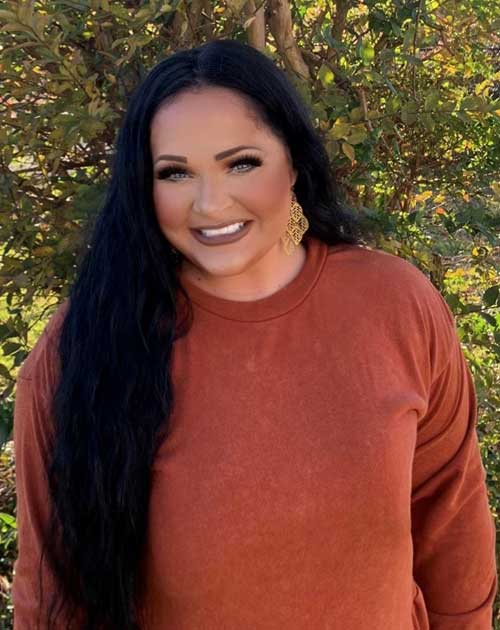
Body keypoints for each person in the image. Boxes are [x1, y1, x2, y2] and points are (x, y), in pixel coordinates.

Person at [12, 38, 497, 630]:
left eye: (241, 163)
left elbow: (451, 521)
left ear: (292, 162)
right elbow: (51, 594)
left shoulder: (395, 304)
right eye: (175, 173)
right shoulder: (87, 344)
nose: (211, 204)